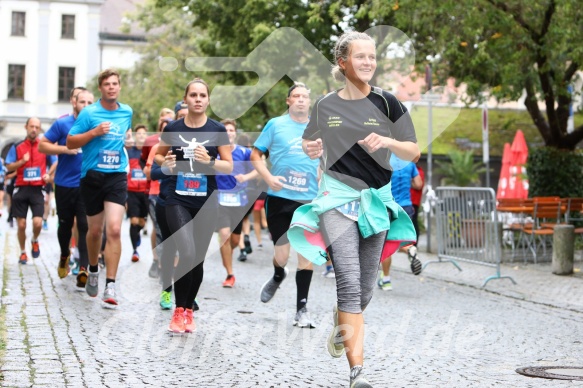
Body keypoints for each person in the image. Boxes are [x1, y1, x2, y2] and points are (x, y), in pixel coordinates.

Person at [288, 31, 419, 387]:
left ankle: (341, 320)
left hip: (376, 200)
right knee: (347, 281)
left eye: (371, 57)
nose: (367, 63)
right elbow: (308, 140)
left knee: (364, 291)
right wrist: (311, 148)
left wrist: (389, 140)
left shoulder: (388, 103)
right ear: (343, 62)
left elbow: (412, 151)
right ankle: (356, 370)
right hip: (336, 198)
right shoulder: (325, 105)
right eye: (360, 57)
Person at [155, 78, 232, 333]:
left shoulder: (217, 129)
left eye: (202, 95)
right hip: (177, 198)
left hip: (207, 201)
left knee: (197, 259)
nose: (198, 99)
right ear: (186, 99)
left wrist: (209, 162)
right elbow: (157, 155)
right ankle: (178, 311)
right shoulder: (173, 127)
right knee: (186, 253)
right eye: (193, 95)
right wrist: (165, 162)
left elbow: (228, 165)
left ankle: (189, 311)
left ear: (208, 100)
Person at [251, 81, 319, 328]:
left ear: (309, 102)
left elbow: (328, 160)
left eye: (305, 96)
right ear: (288, 101)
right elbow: (256, 155)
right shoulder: (275, 125)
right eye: (296, 96)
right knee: (281, 254)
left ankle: (302, 309)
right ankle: (278, 274)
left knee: (306, 254)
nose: (301, 99)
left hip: (308, 200)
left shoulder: (318, 127)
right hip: (279, 198)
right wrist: (268, 178)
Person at [67, 68, 133, 306]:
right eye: (107, 84)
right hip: (92, 177)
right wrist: (94, 132)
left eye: (115, 83)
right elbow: (70, 141)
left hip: (116, 175)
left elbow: (124, 135)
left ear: (119, 87)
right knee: (95, 231)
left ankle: (111, 285)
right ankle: (93, 269)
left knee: (114, 229)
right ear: (101, 88)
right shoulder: (89, 112)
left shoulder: (127, 111)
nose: (112, 87)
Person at [39, 90, 94, 287]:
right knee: (65, 225)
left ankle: (83, 269)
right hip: (63, 184)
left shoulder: (95, 126)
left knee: (84, 226)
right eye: (83, 101)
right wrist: (65, 149)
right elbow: (42, 146)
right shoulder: (63, 124)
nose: (86, 105)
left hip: (87, 184)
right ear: (74, 103)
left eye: (90, 102)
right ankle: (64, 255)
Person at [6, 118, 57, 264]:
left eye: (37, 127)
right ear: (26, 127)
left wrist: (49, 174)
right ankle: (23, 252)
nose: (34, 129)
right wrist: (21, 162)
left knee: (38, 223)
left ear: (40, 130)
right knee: (21, 225)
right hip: (21, 188)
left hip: (37, 189)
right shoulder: (17, 146)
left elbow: (55, 162)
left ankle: (35, 240)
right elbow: (8, 167)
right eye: (32, 126)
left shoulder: (44, 146)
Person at [216, 119, 257, 287]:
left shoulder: (244, 152)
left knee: (234, 241)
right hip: (219, 198)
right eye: (225, 130)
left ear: (235, 133)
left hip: (240, 200)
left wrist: (245, 177)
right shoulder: (215, 152)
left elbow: (259, 168)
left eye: (231, 130)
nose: (228, 132)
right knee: (224, 235)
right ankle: (230, 274)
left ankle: (228, 254)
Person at [377, 154, 423, 291]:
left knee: (385, 244)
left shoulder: (383, 160)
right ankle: (410, 249)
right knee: (399, 240)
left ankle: (386, 280)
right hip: (407, 207)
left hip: (388, 206)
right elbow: (418, 184)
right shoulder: (409, 162)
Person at [126, 124, 149, 262]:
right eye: (139, 134)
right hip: (132, 191)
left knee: (141, 222)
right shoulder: (130, 151)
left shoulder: (148, 152)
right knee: (133, 221)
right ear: (135, 136)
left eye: (144, 134)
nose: (141, 136)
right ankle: (135, 250)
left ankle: (138, 234)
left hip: (145, 192)